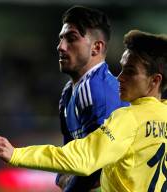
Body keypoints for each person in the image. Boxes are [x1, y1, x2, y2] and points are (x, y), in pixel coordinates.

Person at [0, 30, 167, 192]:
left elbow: (82, 158)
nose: (120, 78)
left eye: (130, 71)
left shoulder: (129, 118)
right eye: (122, 69)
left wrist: (16, 154)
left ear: (154, 80)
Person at [53, 5, 128, 191]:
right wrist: (62, 176)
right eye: (61, 39)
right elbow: (71, 153)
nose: (60, 47)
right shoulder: (68, 93)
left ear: (96, 47)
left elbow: (96, 166)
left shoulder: (98, 92)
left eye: (71, 39)